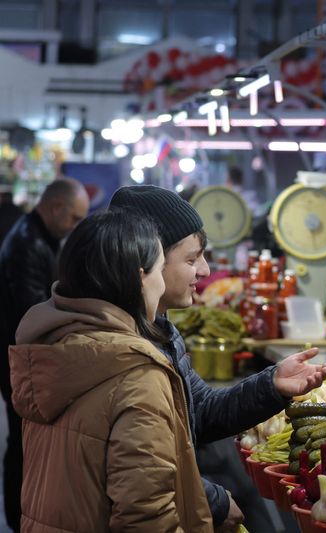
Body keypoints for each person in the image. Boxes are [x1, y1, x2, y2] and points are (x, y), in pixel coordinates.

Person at [109, 185, 326, 531]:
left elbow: (203, 412)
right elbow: (144, 475)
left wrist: (272, 384)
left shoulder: (159, 330)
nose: (206, 271)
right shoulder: (122, 350)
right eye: (192, 259)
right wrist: (213, 499)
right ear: (148, 261)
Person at [9, 210, 213, 531]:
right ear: (140, 277)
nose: (160, 286)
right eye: (160, 270)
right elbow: (146, 517)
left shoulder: (49, 349)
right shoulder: (137, 376)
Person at [0, 177, 89, 531]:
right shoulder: (26, 244)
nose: (76, 227)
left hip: (24, 360)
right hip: (18, 363)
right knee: (22, 447)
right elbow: (33, 312)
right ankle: (15, 520)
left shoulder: (40, 237)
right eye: (74, 219)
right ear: (55, 207)